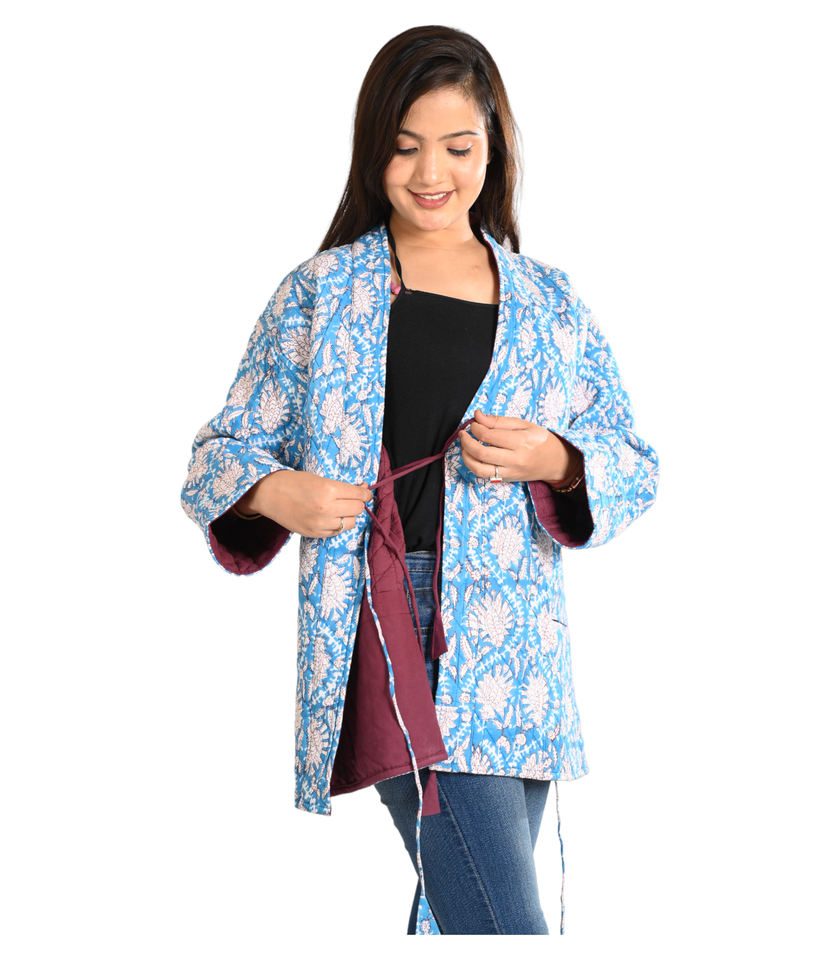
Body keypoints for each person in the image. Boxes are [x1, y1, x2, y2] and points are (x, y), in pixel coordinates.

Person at [180, 24, 659, 936]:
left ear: (494, 148)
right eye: (404, 147)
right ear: (373, 152)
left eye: (457, 146)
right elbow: (218, 454)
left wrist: (557, 461)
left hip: (516, 651)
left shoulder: (549, 301)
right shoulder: (320, 294)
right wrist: (280, 493)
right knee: (503, 925)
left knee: (459, 917)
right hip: (387, 618)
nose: (431, 172)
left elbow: (633, 461)